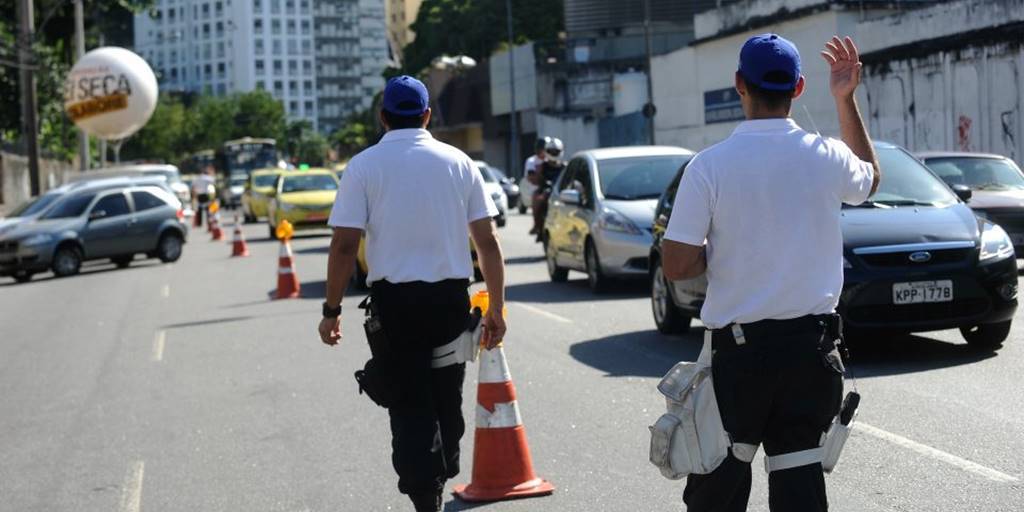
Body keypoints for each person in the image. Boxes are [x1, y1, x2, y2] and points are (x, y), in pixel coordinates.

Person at [661, 34, 880, 511]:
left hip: (741, 357)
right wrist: (846, 98)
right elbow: (870, 176)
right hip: (812, 351)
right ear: (799, 88)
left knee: (718, 486)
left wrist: (717, 256)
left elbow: (677, 265)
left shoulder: (708, 167)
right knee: (799, 486)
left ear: (740, 84)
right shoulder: (827, 157)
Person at [317, 75, 508, 512]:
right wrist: (496, 308)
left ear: (382, 117)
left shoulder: (364, 166)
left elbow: (344, 245)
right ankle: (439, 474)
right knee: (445, 394)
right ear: (426, 115)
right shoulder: (459, 162)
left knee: (407, 400)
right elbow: (488, 242)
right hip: (449, 305)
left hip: (396, 308)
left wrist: (331, 310)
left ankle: (426, 493)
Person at [528, 137, 566, 241]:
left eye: (555, 151)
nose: (553, 153)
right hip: (545, 191)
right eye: (551, 151)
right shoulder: (541, 166)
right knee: (536, 198)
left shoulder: (564, 167)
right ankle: (537, 225)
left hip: (559, 193)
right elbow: (536, 179)